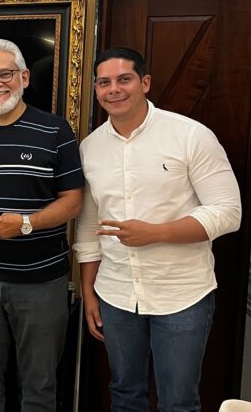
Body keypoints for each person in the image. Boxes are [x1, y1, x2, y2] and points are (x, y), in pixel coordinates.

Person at [74, 47, 241, 412]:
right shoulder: (90, 148)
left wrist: (157, 233)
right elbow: (88, 227)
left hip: (182, 294)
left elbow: (229, 212)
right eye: (104, 82)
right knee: (124, 394)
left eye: (124, 79)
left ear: (145, 82)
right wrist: (88, 291)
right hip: (116, 294)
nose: (113, 89)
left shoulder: (191, 136)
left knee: (178, 402)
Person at [0, 38, 84, 412]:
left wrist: (24, 224)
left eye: (4, 74)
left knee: (39, 387)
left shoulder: (55, 131)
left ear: (24, 77)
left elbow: (73, 201)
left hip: (41, 283)